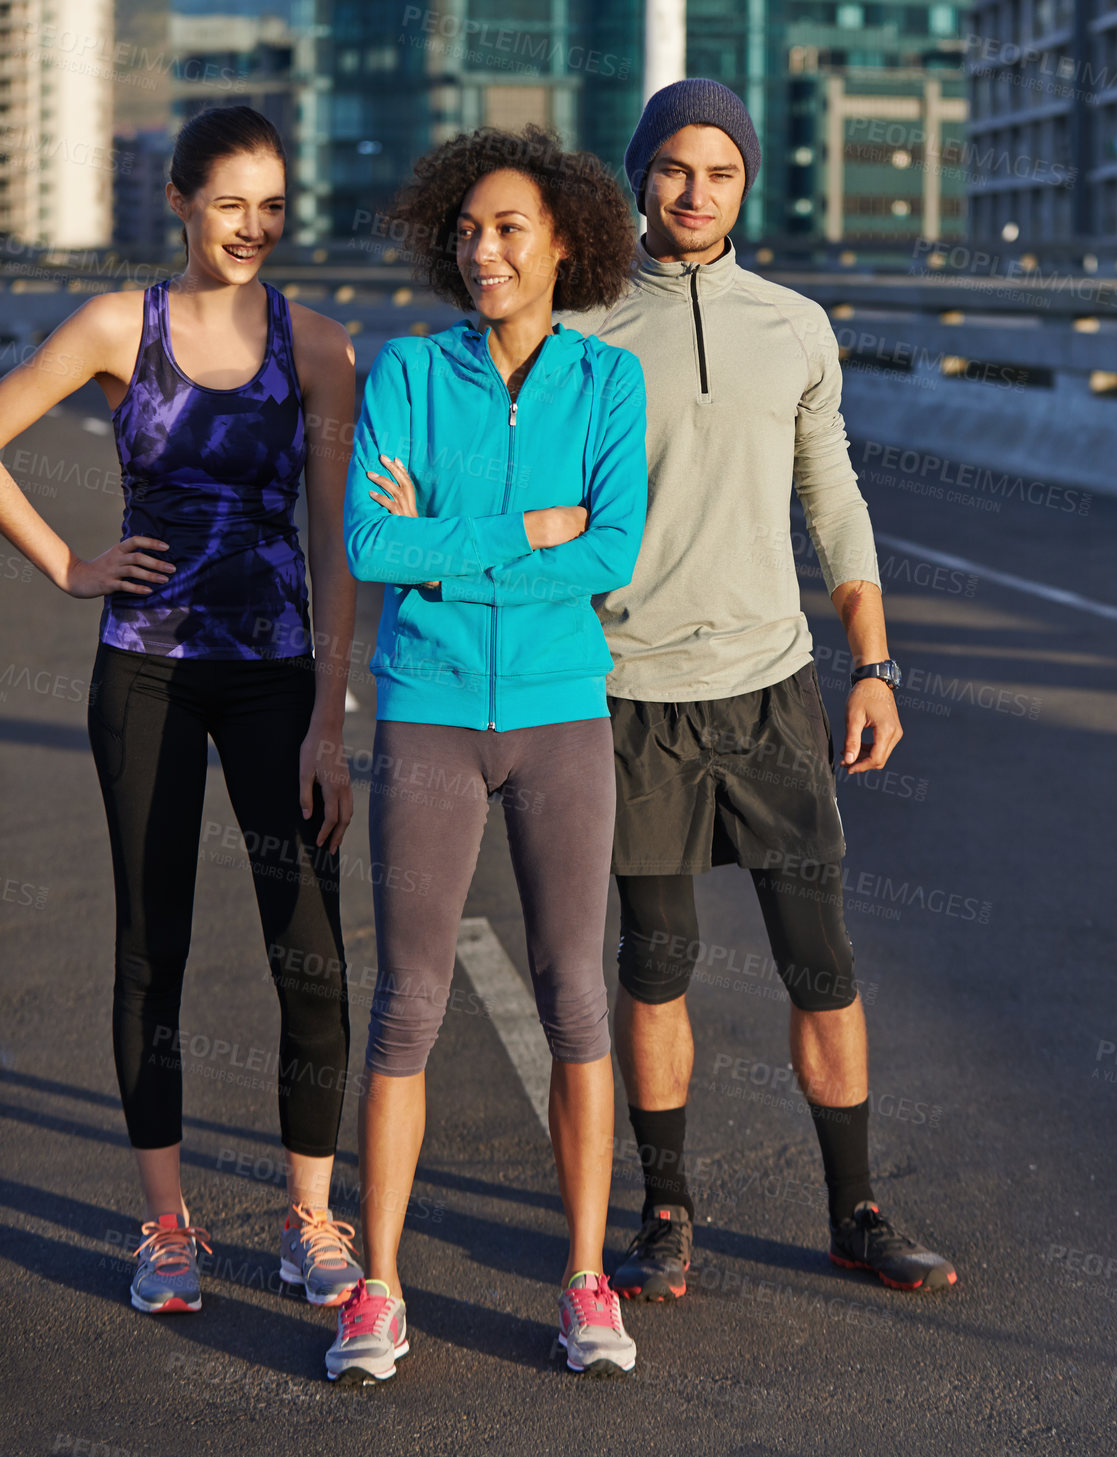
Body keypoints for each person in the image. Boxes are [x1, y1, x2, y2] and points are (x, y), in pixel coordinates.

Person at [564, 79, 959, 1301]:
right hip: (627, 693)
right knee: (657, 962)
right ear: (640, 176)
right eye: (675, 169)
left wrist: (876, 663)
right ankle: (665, 1209)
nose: (695, 192)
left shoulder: (793, 323)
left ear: (746, 182)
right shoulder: (581, 323)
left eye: (719, 171)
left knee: (820, 965)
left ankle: (857, 1209)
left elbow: (831, 498)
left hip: (769, 687)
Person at [0, 107, 365, 1315]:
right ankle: (166, 1224)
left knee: (307, 949)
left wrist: (329, 705)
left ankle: (310, 1215)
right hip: (145, 667)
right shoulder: (118, 326)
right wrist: (67, 564)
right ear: (178, 201)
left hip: (273, 672)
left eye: (272, 205)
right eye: (229, 204)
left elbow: (333, 532)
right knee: (153, 945)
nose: (253, 227)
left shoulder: (316, 346)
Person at [326, 125, 647, 1384]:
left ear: (565, 241)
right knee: (408, 1003)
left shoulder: (606, 384)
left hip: (563, 713)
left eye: (510, 228)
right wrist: (526, 527)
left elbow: (609, 550)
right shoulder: (408, 372)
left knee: (577, 995)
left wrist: (455, 541)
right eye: (466, 230)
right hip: (429, 708)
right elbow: (367, 542)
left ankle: (583, 1276)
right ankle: (378, 1287)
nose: (484, 249)